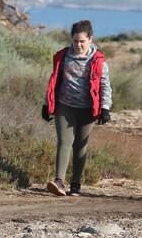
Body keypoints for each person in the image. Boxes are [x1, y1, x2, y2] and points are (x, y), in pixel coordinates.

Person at [42, 20, 112, 197]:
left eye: (82, 41)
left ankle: (76, 184)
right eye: (75, 41)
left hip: (87, 109)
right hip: (65, 107)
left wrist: (105, 108)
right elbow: (54, 82)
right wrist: (46, 104)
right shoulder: (63, 57)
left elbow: (105, 85)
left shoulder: (98, 61)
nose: (78, 45)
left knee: (80, 146)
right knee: (64, 142)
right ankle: (59, 181)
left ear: (90, 39)